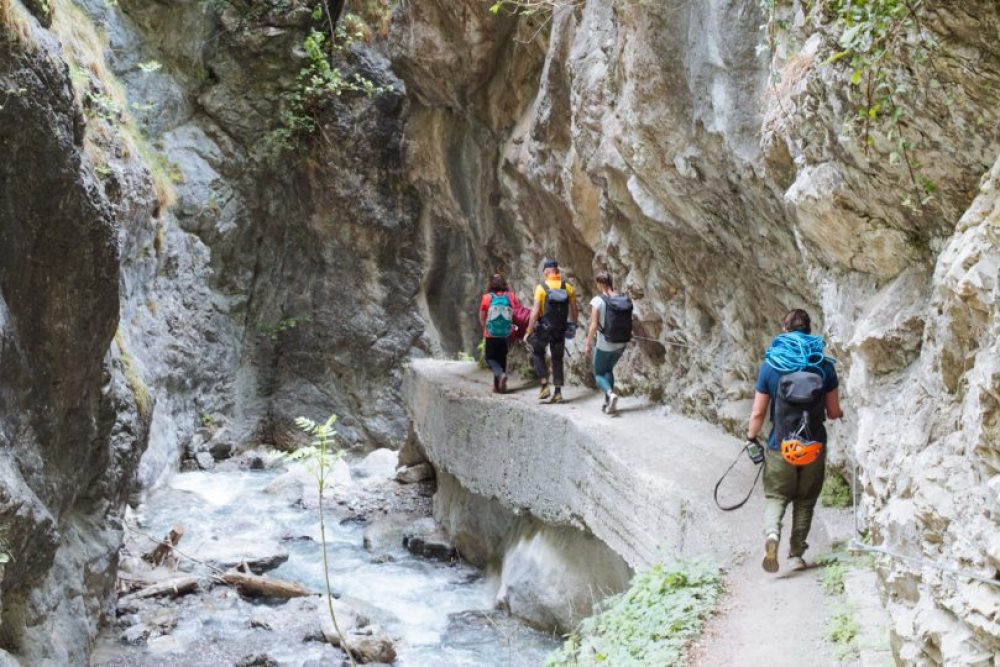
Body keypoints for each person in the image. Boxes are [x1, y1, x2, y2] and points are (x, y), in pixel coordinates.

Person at [747, 308, 843, 573]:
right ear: (809, 330)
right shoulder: (824, 366)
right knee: (805, 500)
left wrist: (751, 437)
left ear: (784, 329)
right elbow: (833, 412)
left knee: (777, 496)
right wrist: (839, 412)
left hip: (781, 446)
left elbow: (757, 412)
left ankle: (772, 536)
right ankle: (796, 554)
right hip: (813, 446)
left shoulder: (771, 366)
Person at [524, 258, 578, 403]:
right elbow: (574, 309)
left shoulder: (541, 288)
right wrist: (573, 324)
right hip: (560, 328)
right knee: (557, 358)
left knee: (537, 351)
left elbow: (535, 312)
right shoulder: (567, 287)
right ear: (557, 271)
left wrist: (529, 330)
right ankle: (558, 392)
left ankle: (544, 384)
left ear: (547, 272)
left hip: (544, 328)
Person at [584, 271, 629, 415]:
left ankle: (610, 394)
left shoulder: (598, 301)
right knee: (608, 371)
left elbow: (594, 324)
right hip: (621, 344)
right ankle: (608, 402)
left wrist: (588, 343)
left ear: (600, 284)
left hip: (605, 344)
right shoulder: (622, 299)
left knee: (598, 375)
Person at [479, 273, 521, 394]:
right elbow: (517, 313)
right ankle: (498, 386)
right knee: (501, 358)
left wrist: (486, 329)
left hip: (491, 333)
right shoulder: (510, 296)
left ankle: (500, 376)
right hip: (505, 333)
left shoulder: (487, 297)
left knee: (490, 358)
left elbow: (482, 316)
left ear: (491, 283)